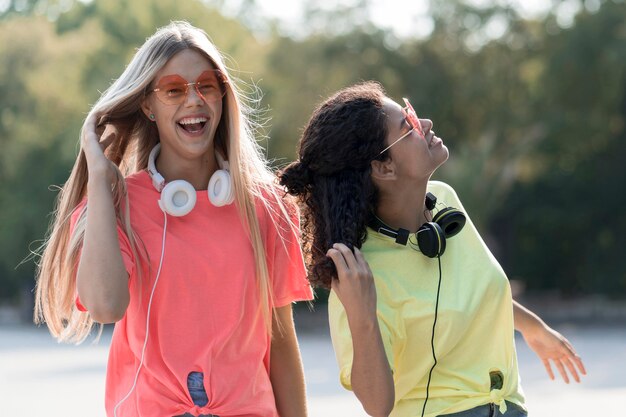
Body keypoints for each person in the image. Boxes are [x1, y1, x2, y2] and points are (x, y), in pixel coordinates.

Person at [34, 21, 313, 417]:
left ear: (222, 96)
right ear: (148, 104)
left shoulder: (268, 207)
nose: (194, 100)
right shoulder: (117, 207)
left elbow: (282, 342)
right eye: (174, 90)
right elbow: (106, 306)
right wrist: (99, 180)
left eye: (206, 85)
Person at [279, 81, 586, 417]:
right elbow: (377, 405)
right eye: (407, 125)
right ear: (384, 167)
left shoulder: (445, 201)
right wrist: (362, 315)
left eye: (410, 111)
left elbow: (471, 290)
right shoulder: (359, 273)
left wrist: (532, 327)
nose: (423, 123)